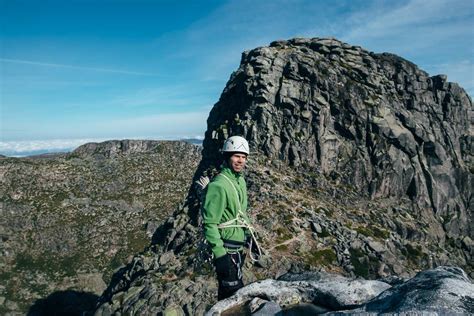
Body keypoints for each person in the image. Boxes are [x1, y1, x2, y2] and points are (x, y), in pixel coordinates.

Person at [202, 136, 252, 300]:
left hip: (237, 248)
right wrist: (220, 254)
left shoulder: (241, 182)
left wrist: (248, 235)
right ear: (227, 156)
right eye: (236, 156)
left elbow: (241, 213)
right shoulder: (219, 185)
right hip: (226, 250)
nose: (240, 160)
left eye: (243, 157)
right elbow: (209, 223)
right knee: (232, 293)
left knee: (231, 292)